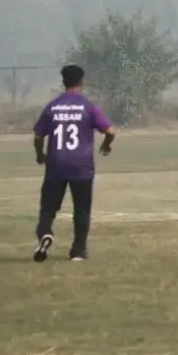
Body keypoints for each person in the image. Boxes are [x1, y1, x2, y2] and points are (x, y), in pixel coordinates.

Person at [31, 64, 116, 262]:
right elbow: (110, 131)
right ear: (81, 82)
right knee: (82, 209)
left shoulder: (53, 106)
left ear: (64, 82)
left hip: (56, 164)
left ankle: (45, 233)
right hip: (81, 166)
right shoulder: (87, 106)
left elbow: (38, 135)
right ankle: (78, 251)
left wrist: (40, 154)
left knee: (48, 208)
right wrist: (106, 145)